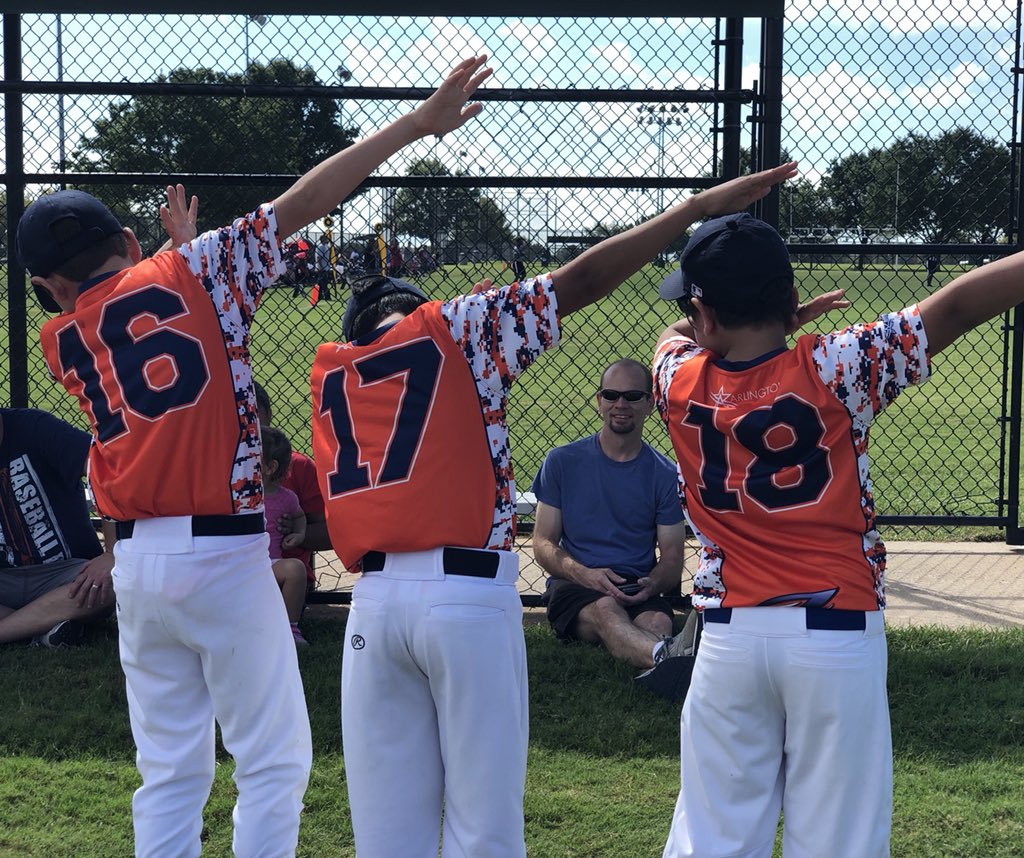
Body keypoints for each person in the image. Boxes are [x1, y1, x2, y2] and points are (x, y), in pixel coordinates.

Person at [17, 52, 494, 857]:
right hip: (224, 555)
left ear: (51, 291)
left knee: (167, 768)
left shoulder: (63, 337)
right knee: (272, 759)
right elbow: (309, 197)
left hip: (136, 565)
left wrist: (178, 259)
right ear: (128, 238)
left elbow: (137, 318)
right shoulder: (196, 270)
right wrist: (416, 122)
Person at [309, 161, 799, 857]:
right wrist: (688, 209)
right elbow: (586, 280)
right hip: (464, 591)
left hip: (375, 603)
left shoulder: (333, 371)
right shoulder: (455, 328)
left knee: (387, 835)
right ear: (418, 309)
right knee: (484, 824)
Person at [651, 206, 1024, 857]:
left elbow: (673, 331)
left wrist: (744, 322)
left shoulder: (677, 378)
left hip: (730, 640)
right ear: (792, 298)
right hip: (834, 633)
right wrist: (783, 326)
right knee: (838, 843)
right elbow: (960, 305)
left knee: (712, 837)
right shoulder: (837, 363)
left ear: (706, 315)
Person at [531, 358, 691, 700]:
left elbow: (673, 557)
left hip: (636, 585)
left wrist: (653, 584)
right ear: (599, 401)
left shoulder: (665, 474)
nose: (621, 405)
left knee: (659, 623)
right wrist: (585, 574)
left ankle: (662, 662)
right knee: (606, 610)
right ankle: (675, 661)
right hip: (575, 585)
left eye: (633, 396)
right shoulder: (562, 462)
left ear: (650, 404)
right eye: (611, 395)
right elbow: (543, 543)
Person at [0, 407, 116, 647]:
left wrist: (112, 554)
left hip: (68, 574)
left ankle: (14, 631)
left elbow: (104, 471)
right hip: (7, 578)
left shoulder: (34, 427)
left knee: (118, 578)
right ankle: (40, 631)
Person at [253, 381, 329, 591]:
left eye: (253, 415)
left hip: (283, 581)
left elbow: (331, 534)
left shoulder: (298, 467)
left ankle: (290, 624)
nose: (246, 425)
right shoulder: (213, 469)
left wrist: (296, 532)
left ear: (268, 415)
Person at [260, 424, 310, 646]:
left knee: (296, 569)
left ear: (270, 467)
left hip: (269, 562)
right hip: (236, 560)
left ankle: (290, 629)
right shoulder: (232, 492)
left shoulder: (286, 498)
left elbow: (300, 517)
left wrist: (298, 534)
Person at [314, 233, 333, 301]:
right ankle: (327, 296)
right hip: (322, 267)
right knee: (323, 282)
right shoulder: (320, 247)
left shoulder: (326, 247)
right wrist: (321, 267)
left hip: (326, 267)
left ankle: (319, 296)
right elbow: (319, 257)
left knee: (321, 282)